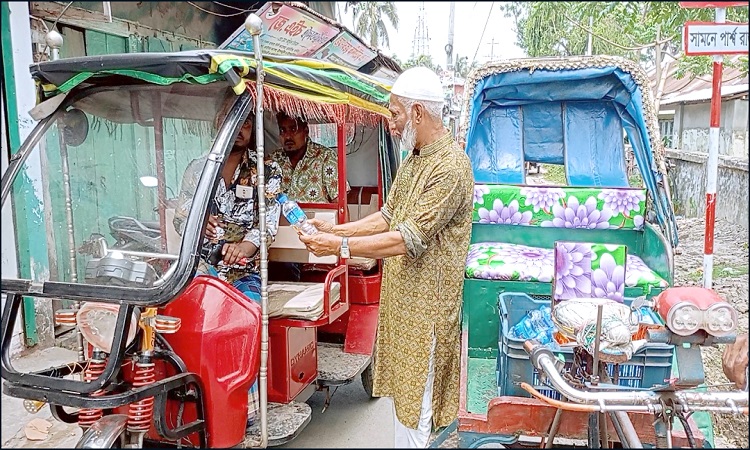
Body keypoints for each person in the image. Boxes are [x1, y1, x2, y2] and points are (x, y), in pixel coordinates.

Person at [297, 66, 475, 448]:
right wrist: (334, 231)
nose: (391, 124)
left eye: (394, 113)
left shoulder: (450, 167)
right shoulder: (414, 159)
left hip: (427, 312)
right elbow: (388, 216)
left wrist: (339, 249)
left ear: (416, 113)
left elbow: (407, 238)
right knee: (403, 403)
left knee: (417, 407)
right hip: (402, 305)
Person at [270, 111, 341, 204]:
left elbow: (339, 205)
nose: (287, 136)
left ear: (306, 131)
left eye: (293, 129)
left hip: (316, 217)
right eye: (283, 131)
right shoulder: (274, 159)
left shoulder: (326, 157)